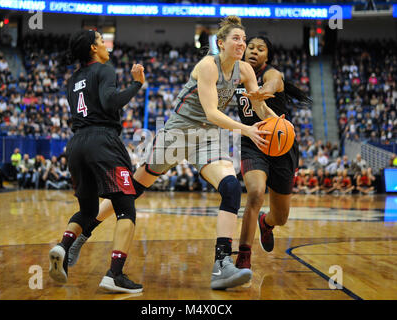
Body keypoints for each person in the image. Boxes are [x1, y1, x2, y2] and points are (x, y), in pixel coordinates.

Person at [67, 16, 278, 290]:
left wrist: (274, 118)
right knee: (133, 189)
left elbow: (258, 106)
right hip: (179, 131)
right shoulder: (207, 66)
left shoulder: (247, 71)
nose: (242, 43)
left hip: (207, 136)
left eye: (244, 39)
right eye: (236, 39)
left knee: (230, 188)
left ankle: (222, 263)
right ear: (220, 43)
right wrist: (246, 130)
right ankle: (85, 231)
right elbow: (213, 112)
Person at [48, 29, 145, 294]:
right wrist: (137, 84)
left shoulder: (72, 80)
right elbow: (110, 101)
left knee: (88, 210)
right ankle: (115, 274)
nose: (107, 46)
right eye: (102, 41)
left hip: (77, 144)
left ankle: (64, 247)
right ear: (93, 48)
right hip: (102, 141)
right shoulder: (105, 69)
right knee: (126, 206)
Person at [232, 36, 311, 269]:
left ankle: (266, 223)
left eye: (261, 48)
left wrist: (262, 92)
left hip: (282, 145)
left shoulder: (272, 74)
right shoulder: (236, 75)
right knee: (255, 193)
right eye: (251, 47)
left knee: (281, 217)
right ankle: (244, 256)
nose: (254, 51)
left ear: (268, 56)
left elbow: (273, 83)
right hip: (253, 140)